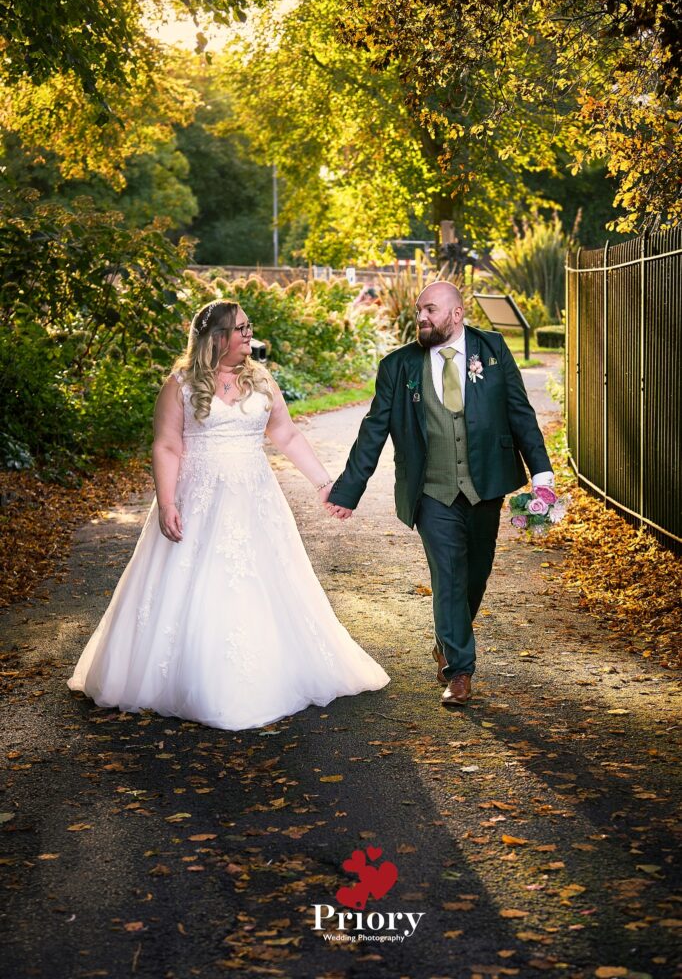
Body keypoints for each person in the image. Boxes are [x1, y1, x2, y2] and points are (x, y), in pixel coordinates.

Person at [68, 299, 389, 730]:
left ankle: (264, 676)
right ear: (216, 338)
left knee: (261, 581)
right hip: (197, 500)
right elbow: (167, 445)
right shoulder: (180, 384)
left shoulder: (261, 379)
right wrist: (167, 502)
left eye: (248, 326)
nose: (248, 334)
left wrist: (322, 483)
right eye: (240, 328)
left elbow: (286, 433)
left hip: (255, 499)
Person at [325, 281, 553, 708]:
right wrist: (349, 488)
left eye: (430, 309)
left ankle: (447, 642)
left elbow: (519, 411)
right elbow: (374, 430)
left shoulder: (492, 350)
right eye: (418, 311)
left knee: (476, 575)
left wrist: (542, 472)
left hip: (486, 483)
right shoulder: (398, 366)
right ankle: (460, 671)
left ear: (456, 313)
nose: (421, 318)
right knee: (448, 575)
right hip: (431, 490)